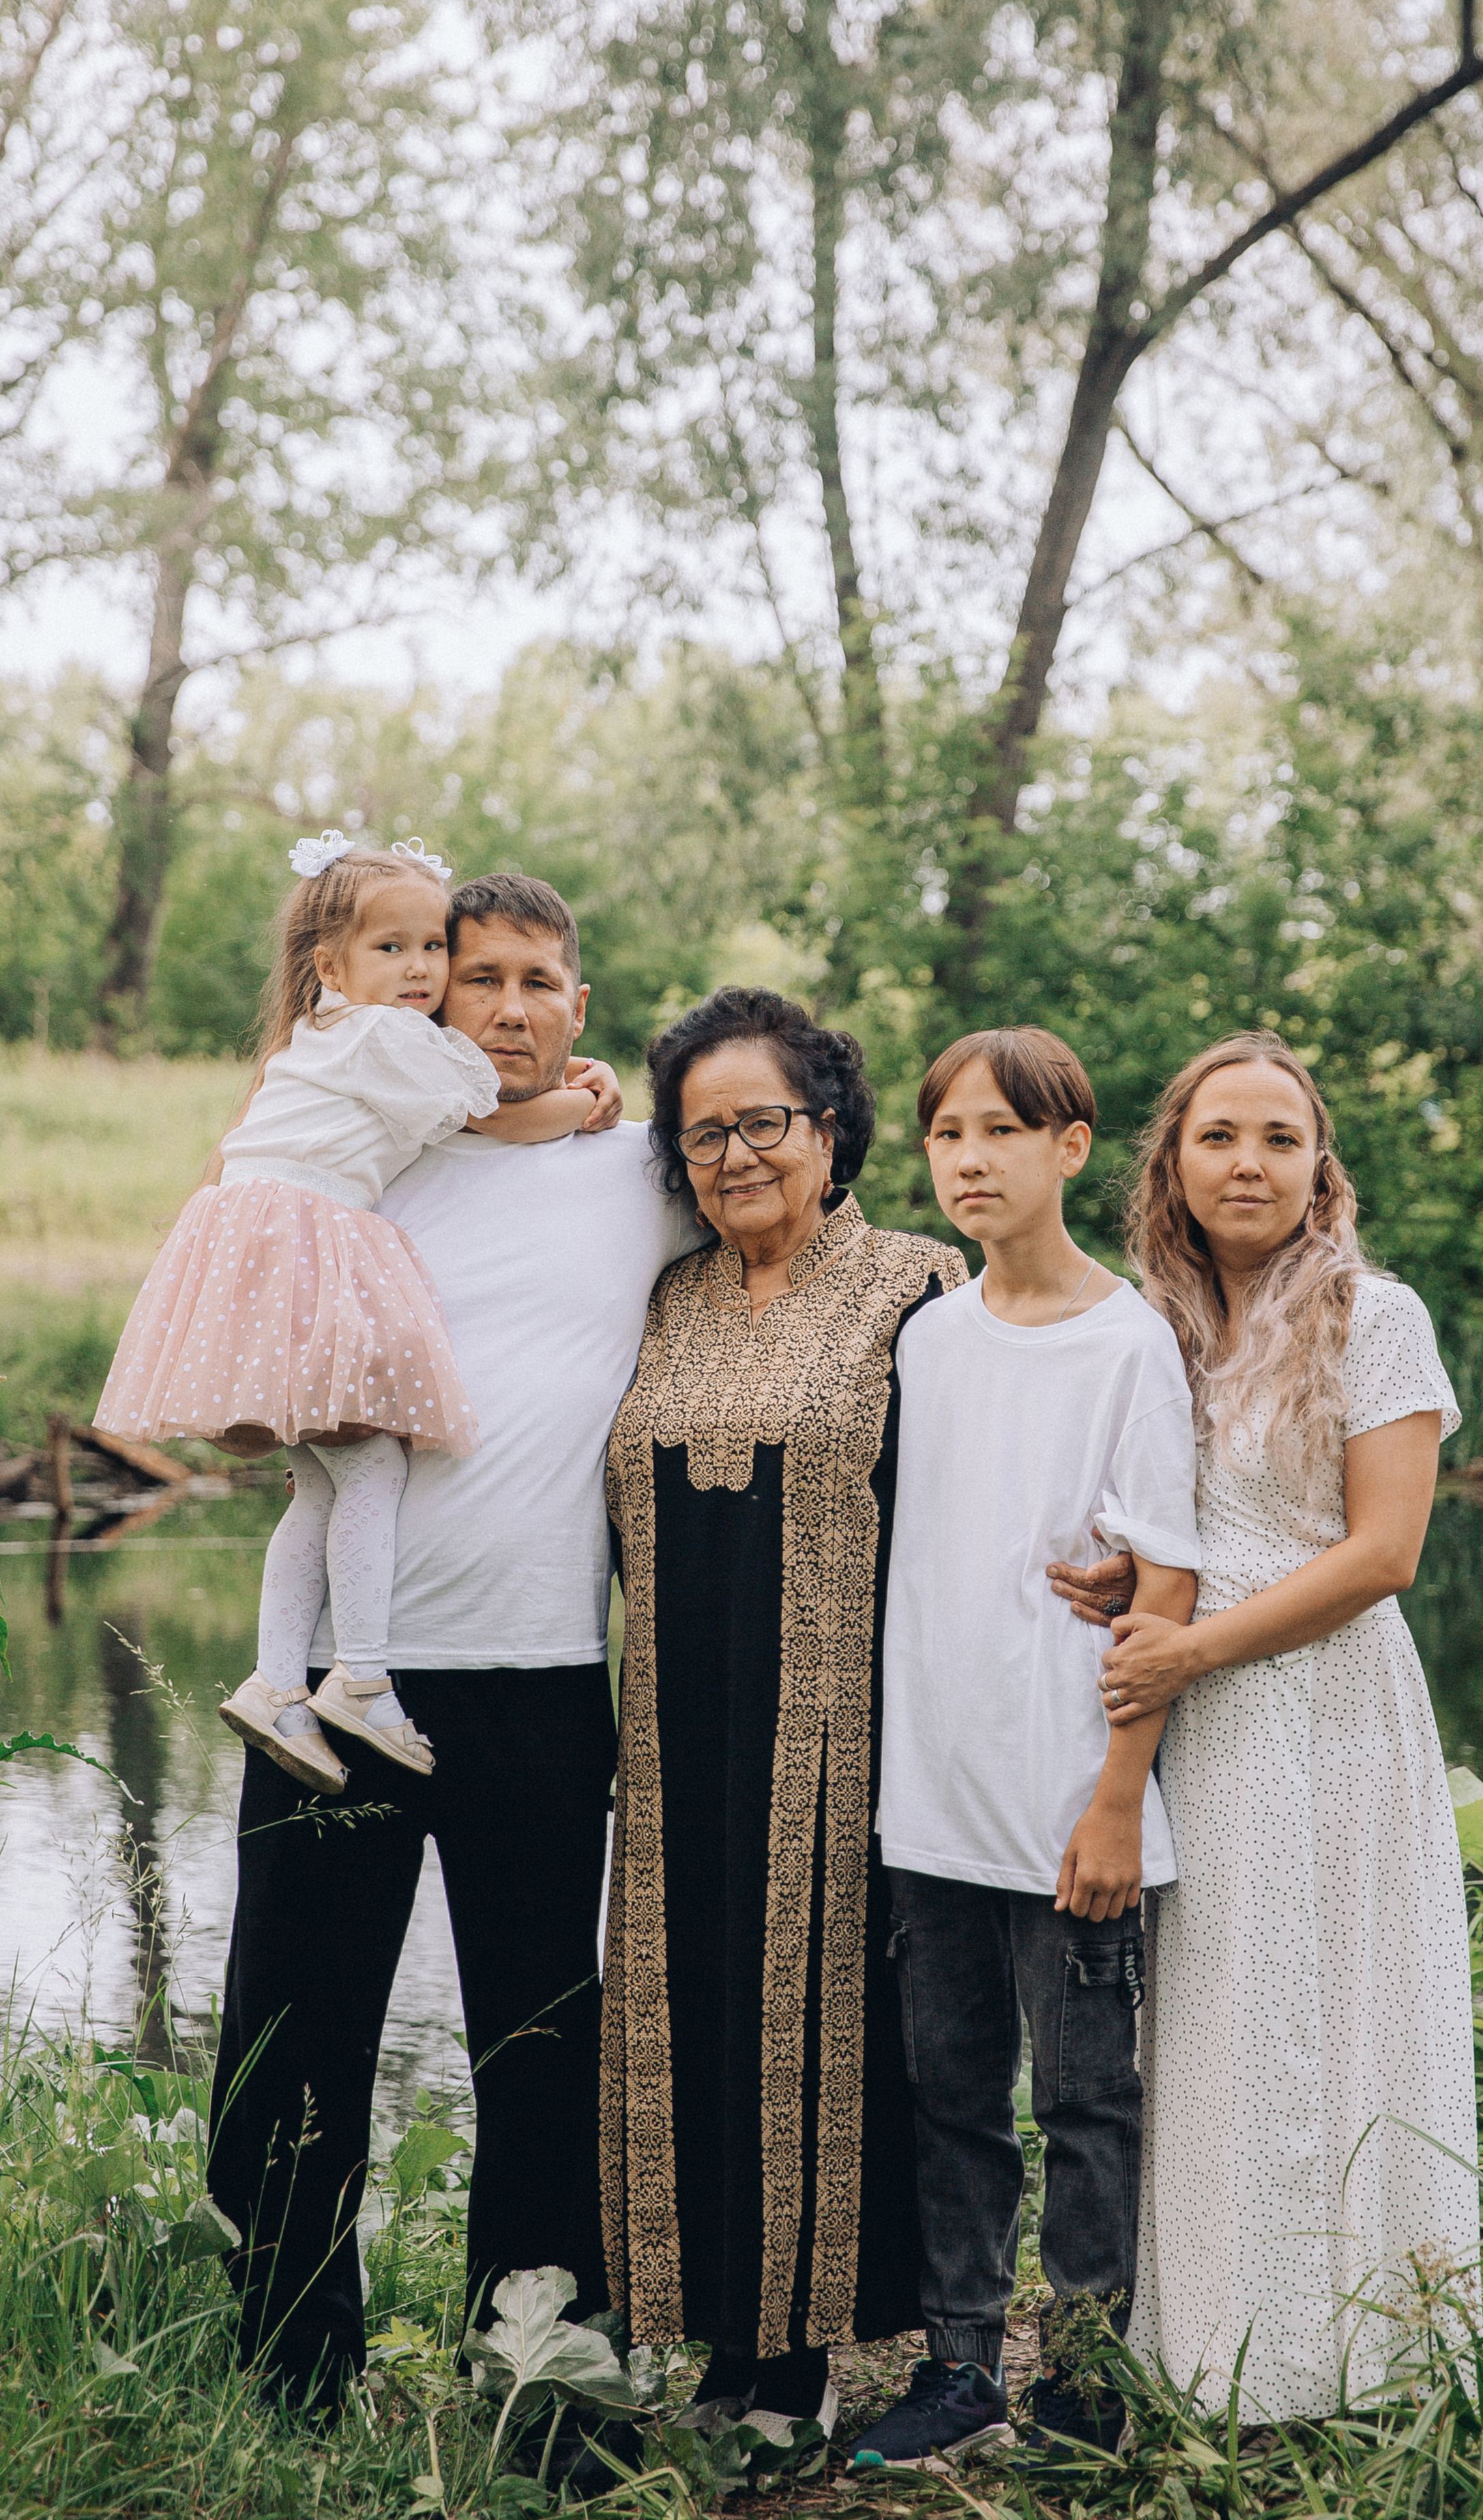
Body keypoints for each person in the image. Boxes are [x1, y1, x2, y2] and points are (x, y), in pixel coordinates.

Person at [205, 873, 701, 2423]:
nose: (504, 1005)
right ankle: (292, 2367)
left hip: (545, 1681)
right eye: (472, 977)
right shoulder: (359, 1164)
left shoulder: (645, 1173)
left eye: (537, 980)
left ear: (580, 1002)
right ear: (423, 1000)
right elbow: (233, 1396)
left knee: (542, 2038)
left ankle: (538, 2358)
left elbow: (806, 1237)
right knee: (294, 2038)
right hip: (340, 1689)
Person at [1050, 1029, 1478, 2423]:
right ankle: (1222, 2358)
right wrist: (1131, 1594)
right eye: (1218, 1136)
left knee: (1343, 2007)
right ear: (1169, 1163)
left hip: (1328, 1707)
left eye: (1277, 1139)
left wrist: (1187, 1648)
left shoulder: (1375, 1314)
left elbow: (1377, 1558)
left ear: (1317, 1167)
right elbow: (1199, 1530)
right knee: (1218, 2020)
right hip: (1200, 1722)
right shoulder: (1150, 1323)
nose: (1247, 1163)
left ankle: (1373, 2356)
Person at [601, 987, 966, 2439]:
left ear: (828, 1128)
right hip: (675, 1726)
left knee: (811, 2021)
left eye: (763, 1122)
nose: (734, 1155)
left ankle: (802, 2362)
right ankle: (711, 2351)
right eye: (703, 1134)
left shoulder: (917, 1288)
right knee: (681, 2010)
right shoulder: (669, 1297)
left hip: (839, 1727)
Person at [847, 1028, 1200, 2473]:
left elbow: (1162, 1585)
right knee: (950, 2097)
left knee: (1085, 2104)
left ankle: (1089, 2378)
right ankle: (958, 2366)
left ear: (1070, 1149)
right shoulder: (928, 1335)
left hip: (1070, 1801)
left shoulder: (1129, 1343)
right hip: (932, 1796)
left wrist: (1116, 1802)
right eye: (945, 1136)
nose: (970, 1159)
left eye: (1002, 1131)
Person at [94, 834, 617, 1792]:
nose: (419, 969)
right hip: (307, 1250)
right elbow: (497, 1114)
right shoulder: (388, 1040)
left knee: (327, 1483)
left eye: (430, 949)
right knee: (370, 1465)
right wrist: (588, 1095)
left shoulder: (319, 1037)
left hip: (266, 1253)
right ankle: (361, 1675)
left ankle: (275, 1682)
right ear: (330, 965)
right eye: (396, 951)